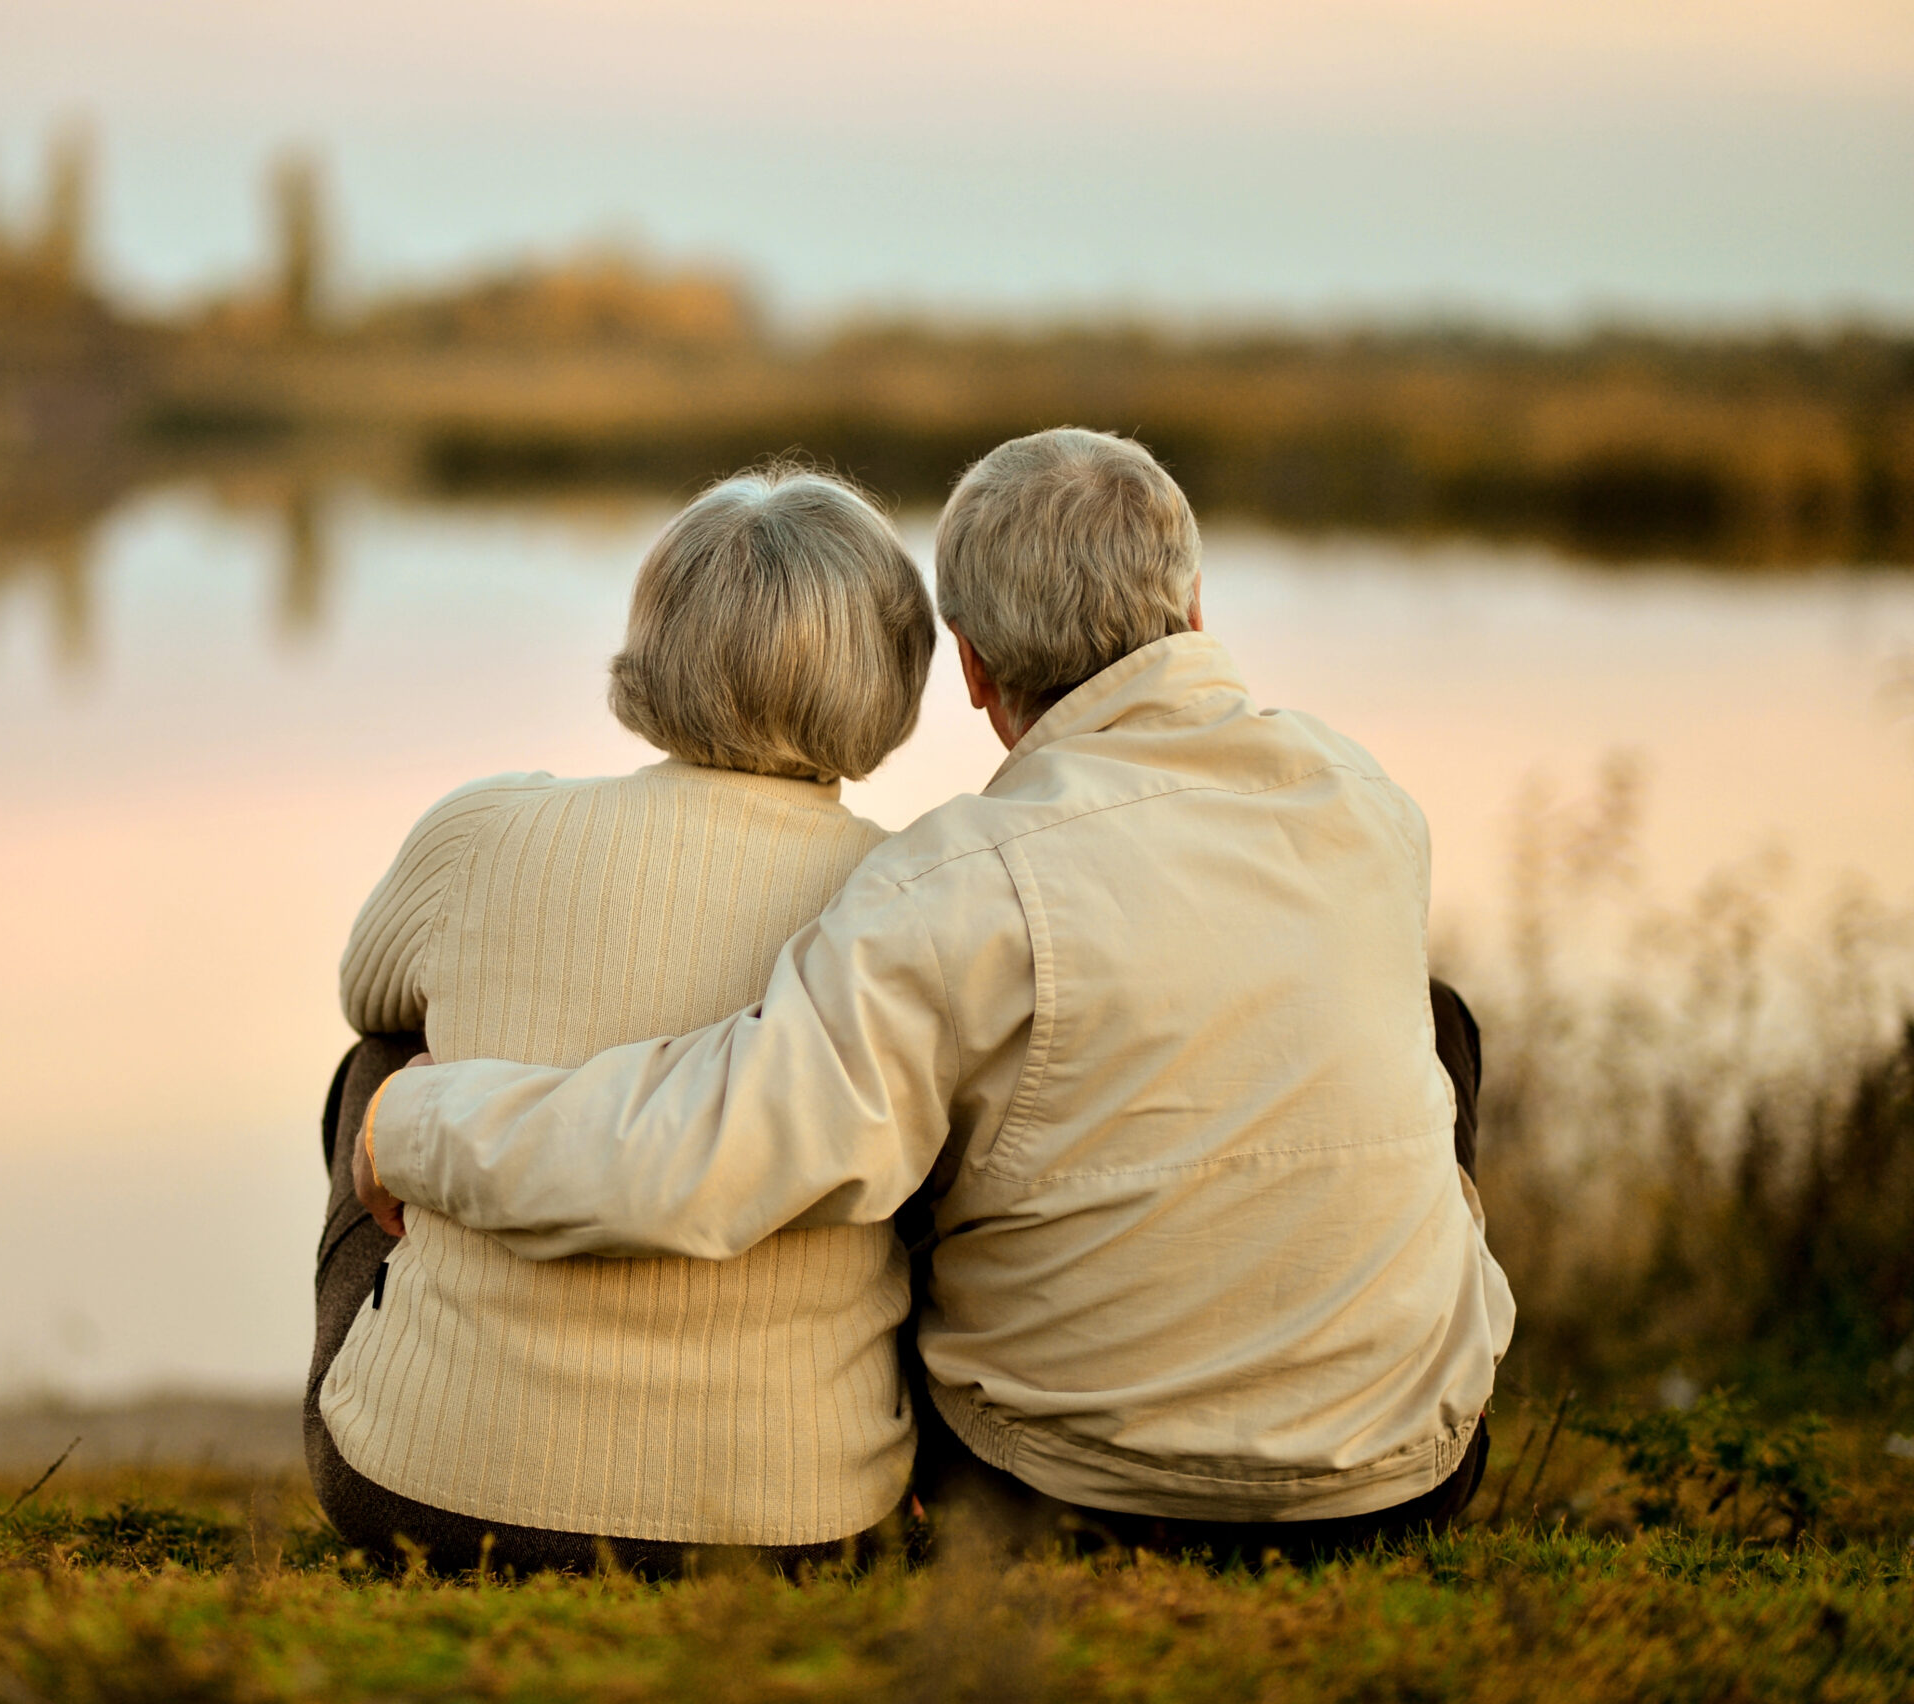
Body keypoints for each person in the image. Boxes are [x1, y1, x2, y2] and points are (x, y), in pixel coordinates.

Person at [358, 427, 1516, 1563]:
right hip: (1402, 1478)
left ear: (966, 666)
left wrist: (409, 1118)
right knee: (1434, 1021)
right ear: (1197, 605)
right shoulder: (1369, 803)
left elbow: (717, 1148)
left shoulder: (958, 883)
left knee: (916, 1113)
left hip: (1066, 1488)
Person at [308, 463, 937, 1575]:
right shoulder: (913, 896)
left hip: (425, 1492)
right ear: (894, 672)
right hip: (800, 1518)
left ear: (654, 646)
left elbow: (368, 992)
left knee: (382, 1063)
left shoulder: (484, 830)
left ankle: (437, 1379)